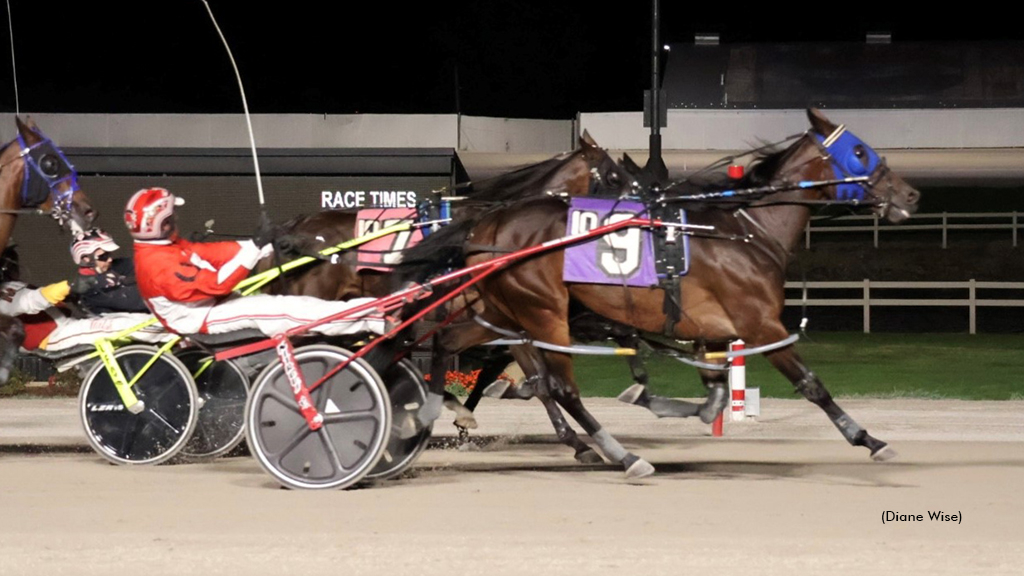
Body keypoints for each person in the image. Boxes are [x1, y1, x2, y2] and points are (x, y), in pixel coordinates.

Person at [124, 187, 385, 337]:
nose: (176, 221)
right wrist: (254, 251)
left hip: (210, 306)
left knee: (292, 305)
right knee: (290, 311)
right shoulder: (155, 263)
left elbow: (213, 253)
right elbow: (217, 284)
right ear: (159, 223)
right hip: (200, 318)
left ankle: (373, 313)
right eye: (171, 217)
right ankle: (375, 317)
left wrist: (261, 245)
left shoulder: (164, 247)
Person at [0, 244, 168, 353]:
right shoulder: (5, 292)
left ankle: (176, 336)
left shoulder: (13, 285)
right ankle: (176, 329)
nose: (15, 268)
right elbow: (32, 301)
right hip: (55, 337)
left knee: (137, 319)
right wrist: (71, 286)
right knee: (128, 326)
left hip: (68, 325)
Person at [69, 228, 149, 314]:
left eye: (109, 254)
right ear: (86, 259)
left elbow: (139, 264)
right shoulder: (93, 292)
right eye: (103, 256)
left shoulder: (110, 267)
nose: (110, 259)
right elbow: (138, 301)